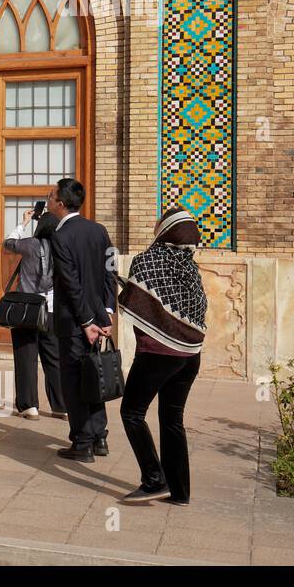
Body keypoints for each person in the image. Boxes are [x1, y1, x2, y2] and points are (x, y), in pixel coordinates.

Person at [117, 207, 207, 506]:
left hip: (158, 354)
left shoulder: (147, 261)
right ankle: (180, 492)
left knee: (131, 413)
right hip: (189, 356)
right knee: (172, 420)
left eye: (159, 222)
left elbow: (134, 301)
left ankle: (154, 479)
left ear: (165, 229)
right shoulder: (191, 268)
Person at [47, 177, 117, 463]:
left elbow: (70, 283)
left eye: (51, 197)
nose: (48, 200)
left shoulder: (61, 236)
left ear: (61, 204)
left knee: (75, 381)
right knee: (95, 375)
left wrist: (87, 321)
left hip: (76, 322)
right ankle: (99, 435)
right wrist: (108, 313)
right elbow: (110, 272)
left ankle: (82, 441)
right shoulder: (99, 231)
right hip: (98, 318)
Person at [3, 206, 65, 420]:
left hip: (26, 310)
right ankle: (61, 406)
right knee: (54, 358)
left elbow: (8, 243)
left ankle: (30, 406)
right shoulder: (62, 247)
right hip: (52, 310)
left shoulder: (29, 244)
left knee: (25, 357)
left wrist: (23, 223)